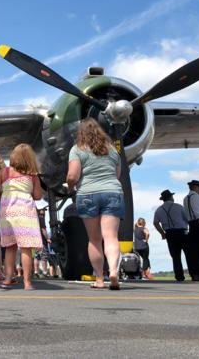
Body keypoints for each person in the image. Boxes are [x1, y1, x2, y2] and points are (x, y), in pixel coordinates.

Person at [66, 118, 123, 290]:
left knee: (94, 239)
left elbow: (72, 176)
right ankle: (113, 271)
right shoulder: (113, 150)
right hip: (112, 192)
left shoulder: (77, 150)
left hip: (88, 194)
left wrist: (69, 186)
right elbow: (117, 174)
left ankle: (99, 278)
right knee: (111, 236)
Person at [0, 143, 43, 290]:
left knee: (10, 247)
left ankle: (7, 279)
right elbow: (38, 196)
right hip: (26, 212)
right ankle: (27, 282)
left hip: (8, 212)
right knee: (26, 248)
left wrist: (1, 196)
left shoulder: (4, 172)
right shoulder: (32, 176)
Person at [153, 189, 190, 282]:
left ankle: (179, 276)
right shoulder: (179, 207)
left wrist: (162, 233)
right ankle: (194, 274)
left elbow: (155, 223)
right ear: (171, 197)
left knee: (175, 256)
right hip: (182, 232)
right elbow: (187, 219)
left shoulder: (159, 210)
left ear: (163, 199)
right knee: (188, 254)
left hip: (169, 233)